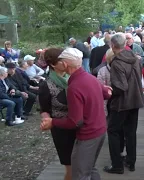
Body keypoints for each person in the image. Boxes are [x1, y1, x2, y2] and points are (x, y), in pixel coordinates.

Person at [40, 48, 112, 180]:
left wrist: (52, 122)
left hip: (86, 133)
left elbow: (75, 121)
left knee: (80, 174)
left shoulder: (74, 86)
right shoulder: (90, 77)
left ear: (65, 64)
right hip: (96, 129)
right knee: (89, 168)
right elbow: (106, 94)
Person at [104, 33, 144, 174]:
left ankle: (117, 165)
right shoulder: (134, 58)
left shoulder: (117, 62)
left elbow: (121, 87)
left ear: (112, 45)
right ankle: (130, 161)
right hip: (135, 100)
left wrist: (109, 91)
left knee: (113, 131)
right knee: (130, 132)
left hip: (122, 103)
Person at [38, 48, 76, 180]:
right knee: (71, 168)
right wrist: (46, 120)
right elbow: (44, 110)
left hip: (80, 127)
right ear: (53, 64)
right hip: (62, 130)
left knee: (83, 165)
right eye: (62, 60)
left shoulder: (73, 78)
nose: (66, 62)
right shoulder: (46, 85)